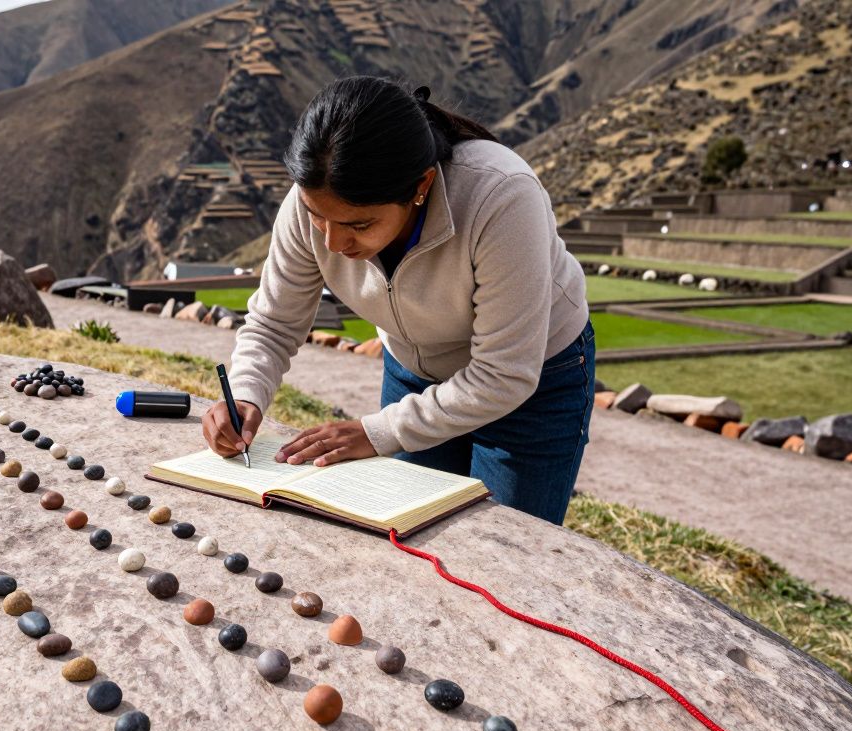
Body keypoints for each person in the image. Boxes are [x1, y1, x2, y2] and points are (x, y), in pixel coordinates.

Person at [203, 77, 593, 526]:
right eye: (317, 218)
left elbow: (504, 374)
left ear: (421, 186)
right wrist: (247, 397)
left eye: (360, 225)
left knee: (509, 545)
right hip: (415, 373)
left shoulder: (501, 196)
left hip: (535, 382)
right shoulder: (313, 201)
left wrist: (377, 432)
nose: (331, 241)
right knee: (412, 534)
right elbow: (273, 323)